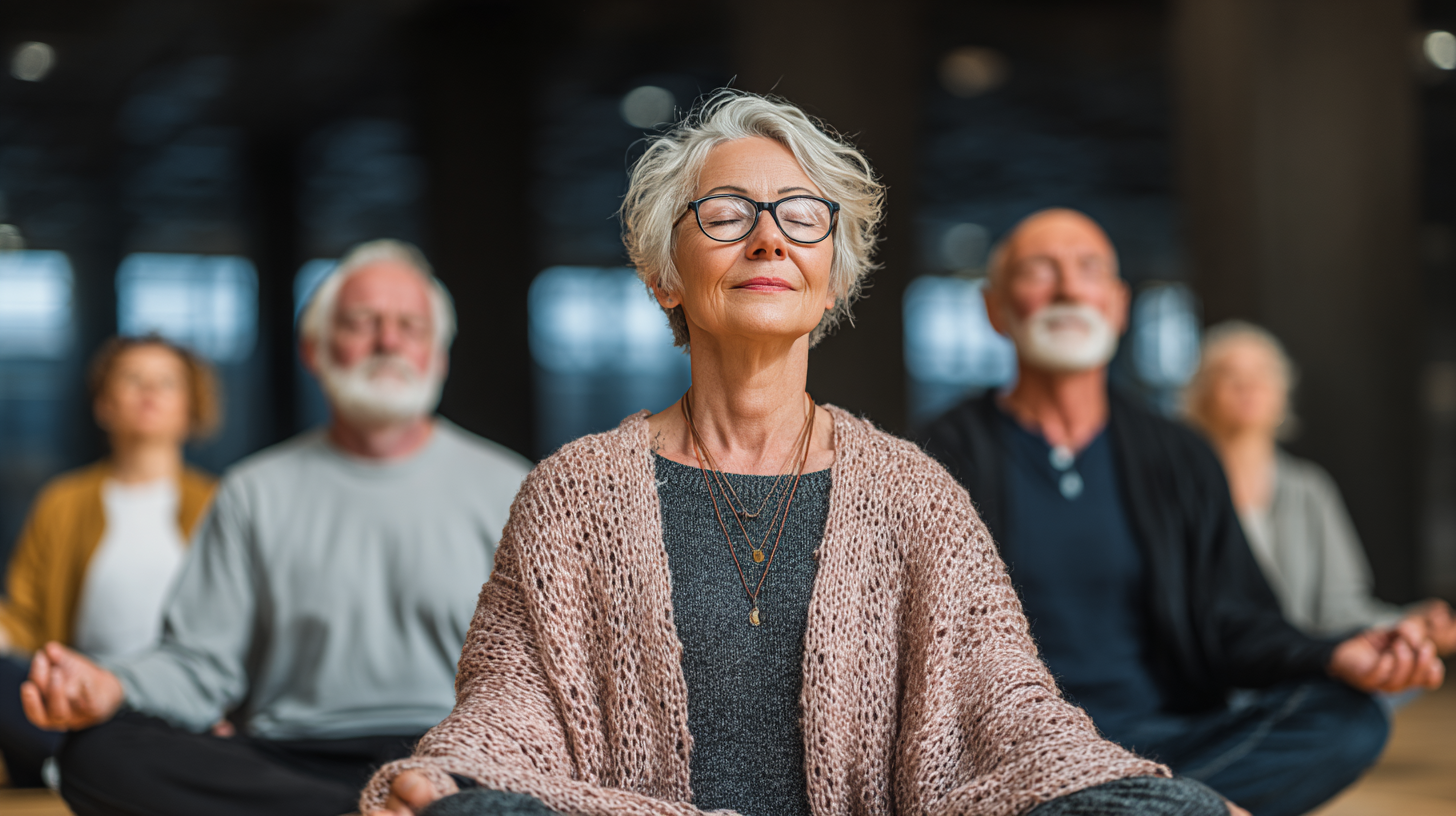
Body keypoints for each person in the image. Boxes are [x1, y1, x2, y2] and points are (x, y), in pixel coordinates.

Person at [361, 92, 1233, 816]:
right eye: (728, 215)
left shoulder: (913, 492)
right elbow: (511, 711)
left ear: (833, 278)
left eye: (801, 219)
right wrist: (452, 780)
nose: (769, 239)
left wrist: (1127, 794)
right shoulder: (573, 492)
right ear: (666, 271)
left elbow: (1007, 710)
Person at [919, 208, 1445, 816]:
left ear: (1116, 305)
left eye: (1089, 270)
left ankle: (1136, 804)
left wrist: (1332, 652)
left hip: (1172, 741)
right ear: (994, 308)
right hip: (1019, 749)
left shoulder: (1178, 455)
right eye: (1041, 270)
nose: (1068, 288)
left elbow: (1234, 619)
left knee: (1350, 720)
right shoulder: (940, 455)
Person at [20, 239, 533, 816]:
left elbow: (544, 679)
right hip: (291, 756)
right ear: (314, 350)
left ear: (438, 356)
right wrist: (110, 686)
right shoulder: (252, 491)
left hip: (458, 755)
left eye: (410, 326)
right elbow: (199, 665)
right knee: (98, 755)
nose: (388, 341)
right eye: (362, 323)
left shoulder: (515, 487)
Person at [0, 336, 219, 787]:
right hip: (81, 703)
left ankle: (85, 771)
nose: (149, 391)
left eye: (166, 382)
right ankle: (89, 766)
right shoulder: (62, 502)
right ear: (104, 405)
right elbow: (25, 618)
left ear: (192, 407)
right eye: (132, 379)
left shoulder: (223, 503)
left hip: (187, 708)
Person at [1183, 321, 1456, 652]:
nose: (1248, 384)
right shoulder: (1179, 489)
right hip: (1207, 672)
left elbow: (1339, 609)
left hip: (1295, 668)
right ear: (1200, 393)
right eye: (1229, 373)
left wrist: (1406, 624)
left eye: (1262, 372)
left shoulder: (1309, 490)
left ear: (1283, 392)